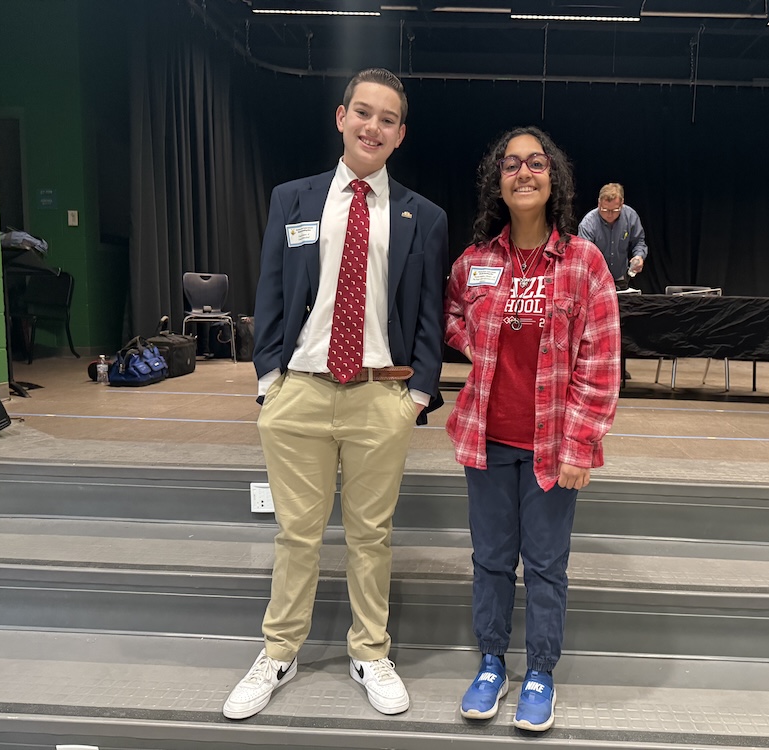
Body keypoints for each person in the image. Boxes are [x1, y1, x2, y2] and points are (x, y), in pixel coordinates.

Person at [222, 68, 448, 721]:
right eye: (363, 113)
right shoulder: (291, 199)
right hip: (300, 392)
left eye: (387, 119)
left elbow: (430, 315)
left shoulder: (423, 217)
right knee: (297, 534)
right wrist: (270, 383)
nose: (373, 126)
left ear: (400, 134)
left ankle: (369, 652)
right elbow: (270, 291)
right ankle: (279, 651)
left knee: (370, 536)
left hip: (381, 396)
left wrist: (418, 395)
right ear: (341, 117)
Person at [444, 126, 620, 732]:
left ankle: (540, 672)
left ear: (554, 179)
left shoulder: (583, 262)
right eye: (512, 164)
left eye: (537, 163)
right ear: (498, 180)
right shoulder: (476, 261)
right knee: (491, 560)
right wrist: (478, 344)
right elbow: (450, 314)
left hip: (551, 447)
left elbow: (601, 361)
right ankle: (492, 662)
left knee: (545, 566)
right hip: (486, 442)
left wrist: (581, 445)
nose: (524, 172)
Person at [577, 182, 649, 291]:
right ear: (599, 203)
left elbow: (638, 242)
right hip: (596, 280)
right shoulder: (588, 223)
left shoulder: (630, 216)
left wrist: (639, 256)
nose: (609, 215)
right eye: (605, 210)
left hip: (620, 278)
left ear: (622, 204)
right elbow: (583, 255)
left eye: (615, 210)